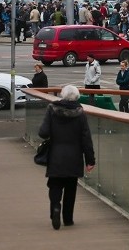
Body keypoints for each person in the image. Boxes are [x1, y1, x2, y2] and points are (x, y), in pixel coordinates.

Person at [38, 85, 96, 230]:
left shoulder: (52, 110)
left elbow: (43, 132)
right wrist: (90, 160)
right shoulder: (80, 113)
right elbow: (86, 138)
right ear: (77, 97)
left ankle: (55, 208)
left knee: (55, 184)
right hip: (74, 156)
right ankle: (68, 218)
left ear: (62, 96)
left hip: (56, 154)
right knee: (71, 188)